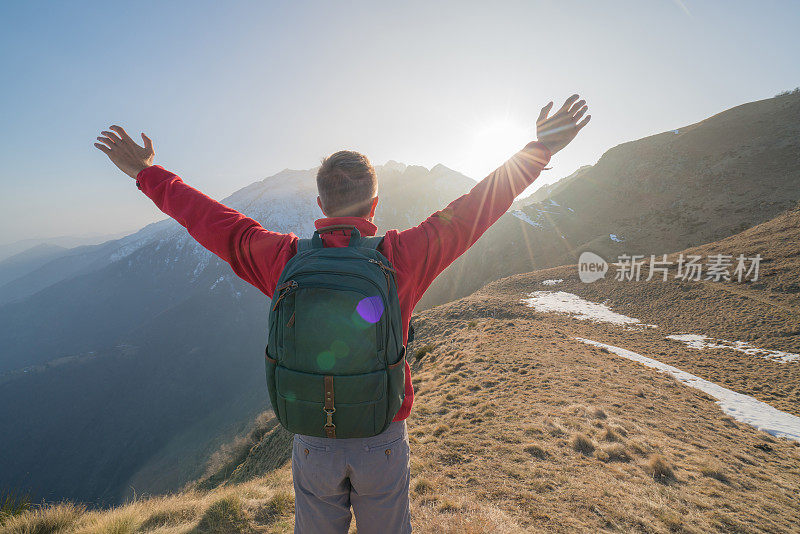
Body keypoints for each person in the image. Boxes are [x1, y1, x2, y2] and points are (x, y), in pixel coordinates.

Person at [94, 94, 589, 534]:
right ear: (375, 203)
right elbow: (478, 207)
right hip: (381, 433)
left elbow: (211, 221)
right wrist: (539, 150)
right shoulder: (402, 257)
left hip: (313, 435)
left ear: (319, 204)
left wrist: (146, 172)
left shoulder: (284, 260)